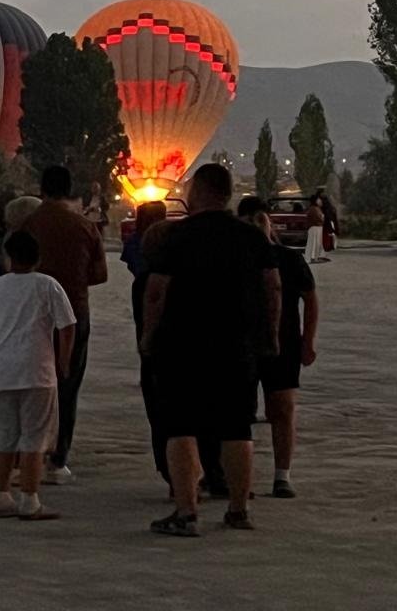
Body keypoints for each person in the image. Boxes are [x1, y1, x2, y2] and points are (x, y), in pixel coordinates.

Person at [141, 164, 280, 537]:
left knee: (180, 426)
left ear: (199, 191)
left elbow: (156, 292)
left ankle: (186, 511)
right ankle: (238, 509)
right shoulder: (252, 238)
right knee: (237, 427)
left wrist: (148, 337)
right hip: (237, 345)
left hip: (181, 345)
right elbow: (273, 288)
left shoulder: (176, 236)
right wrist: (270, 334)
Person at [0, 230, 76, 521]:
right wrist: (63, 360)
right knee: (35, 437)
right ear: (38, 258)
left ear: (7, 258)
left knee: (4, 435)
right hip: (38, 371)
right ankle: (30, 499)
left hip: (3, 372)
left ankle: (1, 495)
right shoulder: (47, 286)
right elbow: (67, 326)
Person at [23, 165, 107, 483]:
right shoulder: (84, 226)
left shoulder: (29, 223)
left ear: (41, 188)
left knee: (33, 383)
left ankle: (29, 452)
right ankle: (59, 458)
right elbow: (100, 274)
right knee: (66, 385)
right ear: (70, 190)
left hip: (33, 313)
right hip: (73, 312)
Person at [250, 211, 319, 499]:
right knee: (264, 410)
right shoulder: (238, 259)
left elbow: (311, 298)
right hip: (252, 345)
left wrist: (308, 341)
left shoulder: (289, 260)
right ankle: (245, 475)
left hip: (281, 343)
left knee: (281, 409)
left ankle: (281, 476)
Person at [123, 199, 172, 487]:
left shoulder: (141, 281)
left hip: (154, 354)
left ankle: (168, 469)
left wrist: (146, 341)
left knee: (160, 413)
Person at [304, 194, 328, 264]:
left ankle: (315, 257)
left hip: (318, 228)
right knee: (313, 243)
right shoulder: (314, 209)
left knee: (317, 243)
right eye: (318, 199)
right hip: (315, 228)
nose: (320, 201)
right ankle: (312, 258)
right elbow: (319, 218)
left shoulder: (316, 208)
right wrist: (323, 218)